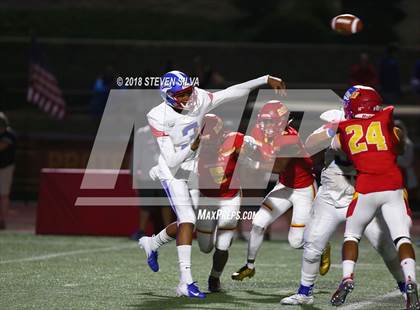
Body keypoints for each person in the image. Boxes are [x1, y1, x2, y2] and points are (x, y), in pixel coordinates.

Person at [144, 70, 286, 298]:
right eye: (181, 94)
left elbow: (232, 92)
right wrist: (190, 149)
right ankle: (185, 281)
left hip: (193, 169)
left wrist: (263, 79)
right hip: (173, 169)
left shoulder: (200, 99)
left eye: (189, 91)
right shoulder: (156, 115)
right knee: (189, 221)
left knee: (193, 226)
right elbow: (170, 160)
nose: (188, 97)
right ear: (168, 95)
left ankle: (154, 245)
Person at [280, 108, 406, 305]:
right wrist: (333, 129)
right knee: (312, 247)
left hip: (362, 197)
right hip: (330, 199)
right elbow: (311, 144)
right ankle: (305, 293)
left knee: (386, 247)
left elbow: (397, 147)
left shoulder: (374, 131)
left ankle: (405, 288)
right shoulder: (336, 126)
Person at [327, 85, 419, 310]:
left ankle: (347, 278)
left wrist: (330, 128)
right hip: (392, 187)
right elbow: (397, 148)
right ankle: (411, 281)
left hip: (366, 188)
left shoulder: (345, 130)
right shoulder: (389, 124)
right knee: (402, 238)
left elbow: (332, 144)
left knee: (351, 235)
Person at [139, 114, 244, 294]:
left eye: (210, 140)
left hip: (230, 196)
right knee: (202, 244)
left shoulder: (235, 140)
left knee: (223, 243)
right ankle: (153, 242)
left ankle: (214, 278)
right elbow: (172, 159)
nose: (207, 143)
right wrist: (159, 167)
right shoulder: (194, 148)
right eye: (204, 139)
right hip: (205, 196)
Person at [231, 100, 316, 281]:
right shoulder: (258, 132)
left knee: (295, 242)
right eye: (264, 121)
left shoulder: (290, 137)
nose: (265, 125)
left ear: (282, 121)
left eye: (270, 121)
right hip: (284, 186)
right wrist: (249, 149)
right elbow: (261, 152)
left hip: (303, 190)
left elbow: (278, 166)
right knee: (258, 223)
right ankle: (250, 266)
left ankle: (321, 247)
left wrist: (250, 161)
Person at [0, 112, 17, 230]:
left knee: (4, 194)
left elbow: (1, 146)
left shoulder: (9, 135)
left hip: (5, 168)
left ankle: (2, 220)